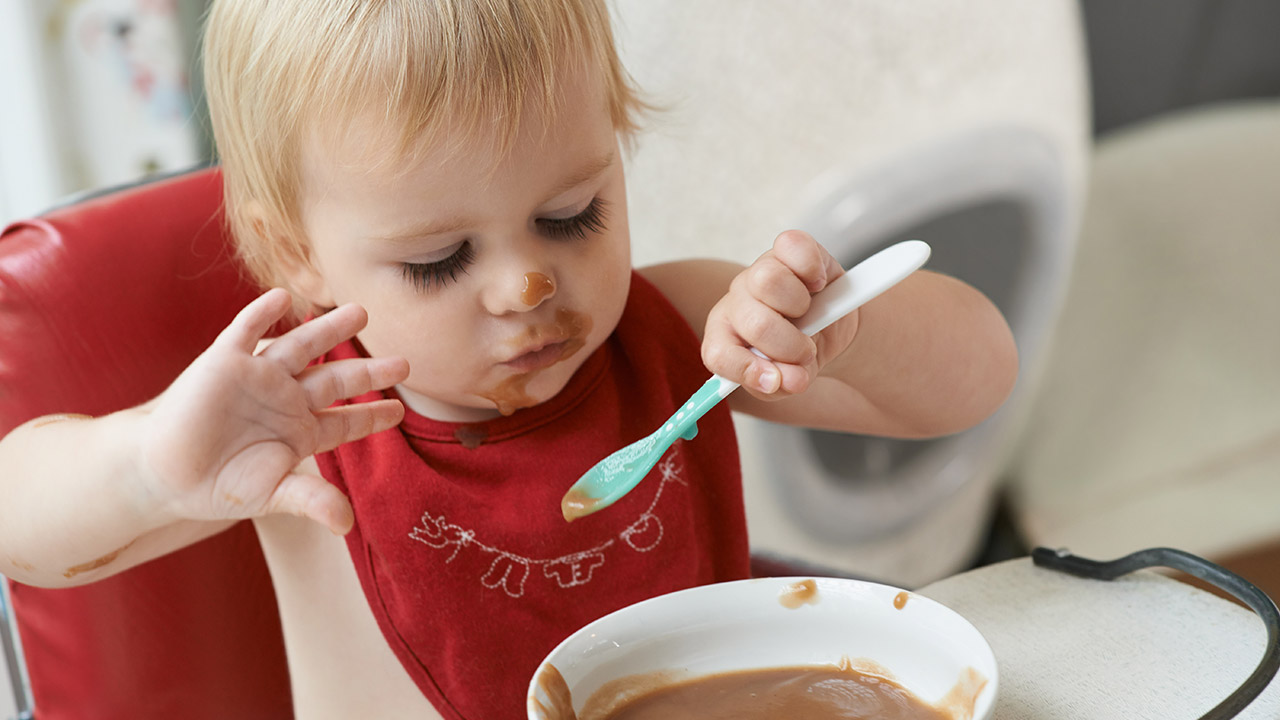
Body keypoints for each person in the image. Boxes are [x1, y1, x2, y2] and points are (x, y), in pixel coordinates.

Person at [0, 1, 1019, 718]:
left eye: (571, 216)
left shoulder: (679, 328)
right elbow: (22, 528)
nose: (528, 286)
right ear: (293, 255)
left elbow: (974, 378)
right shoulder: (298, 420)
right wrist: (147, 468)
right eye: (441, 260)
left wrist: (848, 330)